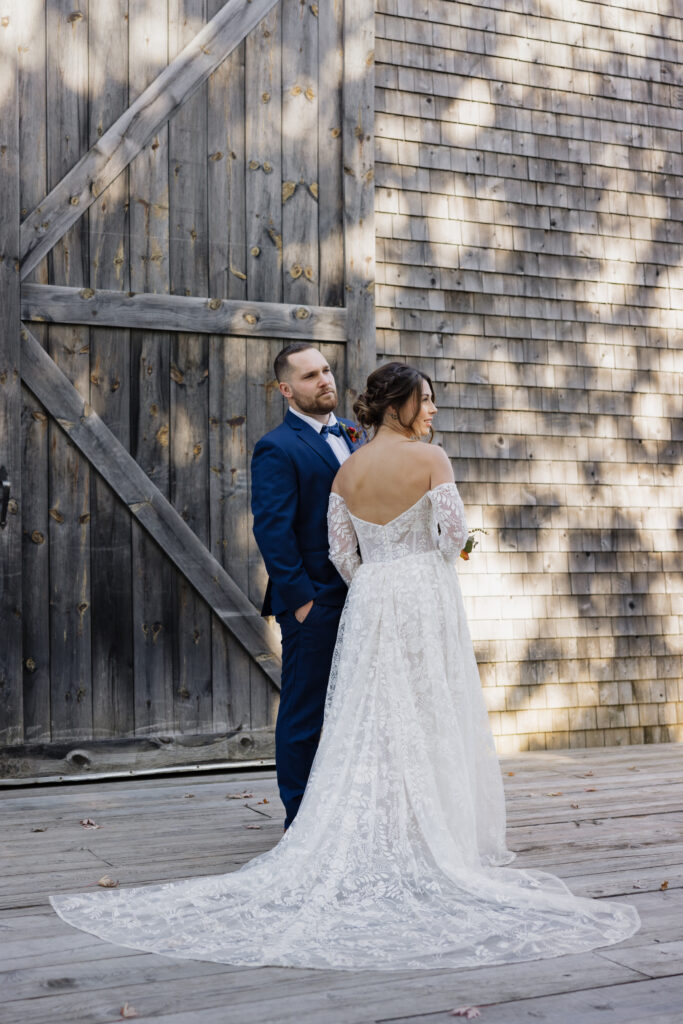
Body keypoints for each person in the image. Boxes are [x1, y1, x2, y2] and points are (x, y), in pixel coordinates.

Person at [49, 361, 640, 970]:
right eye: (426, 401)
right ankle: (422, 828)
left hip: (370, 598)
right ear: (398, 407)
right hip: (417, 597)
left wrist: (376, 583)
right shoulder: (429, 459)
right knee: (423, 705)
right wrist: (414, 569)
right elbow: (449, 537)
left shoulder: (349, 467)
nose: (433, 411)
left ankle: (354, 825)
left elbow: (340, 551)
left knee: (369, 714)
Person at [250, 341, 363, 829]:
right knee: (305, 711)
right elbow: (273, 530)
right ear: (286, 389)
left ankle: (342, 815)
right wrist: (301, 604)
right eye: (311, 375)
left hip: (364, 597)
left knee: (355, 707)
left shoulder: (355, 437)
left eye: (327, 370)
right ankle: (300, 823)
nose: (325, 380)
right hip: (314, 603)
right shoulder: (277, 446)